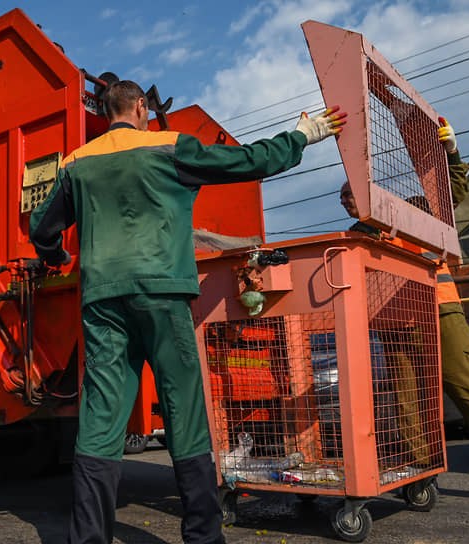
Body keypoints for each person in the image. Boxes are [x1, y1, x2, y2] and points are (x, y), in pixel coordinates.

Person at [29, 80, 345, 544]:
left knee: (100, 420)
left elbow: (41, 227)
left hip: (102, 301)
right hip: (162, 294)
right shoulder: (170, 146)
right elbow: (249, 163)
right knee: (184, 409)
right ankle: (201, 535)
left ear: (104, 108)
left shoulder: (78, 162)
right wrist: (300, 135)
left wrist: (55, 256)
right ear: (140, 107)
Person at [339, 118, 469, 509]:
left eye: (352, 193)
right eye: (344, 199)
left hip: (439, 310)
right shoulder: (355, 236)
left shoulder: (411, 209)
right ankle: (422, 475)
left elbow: (451, 192)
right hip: (394, 323)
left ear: (371, 192)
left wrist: (450, 151)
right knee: (407, 401)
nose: (348, 201)